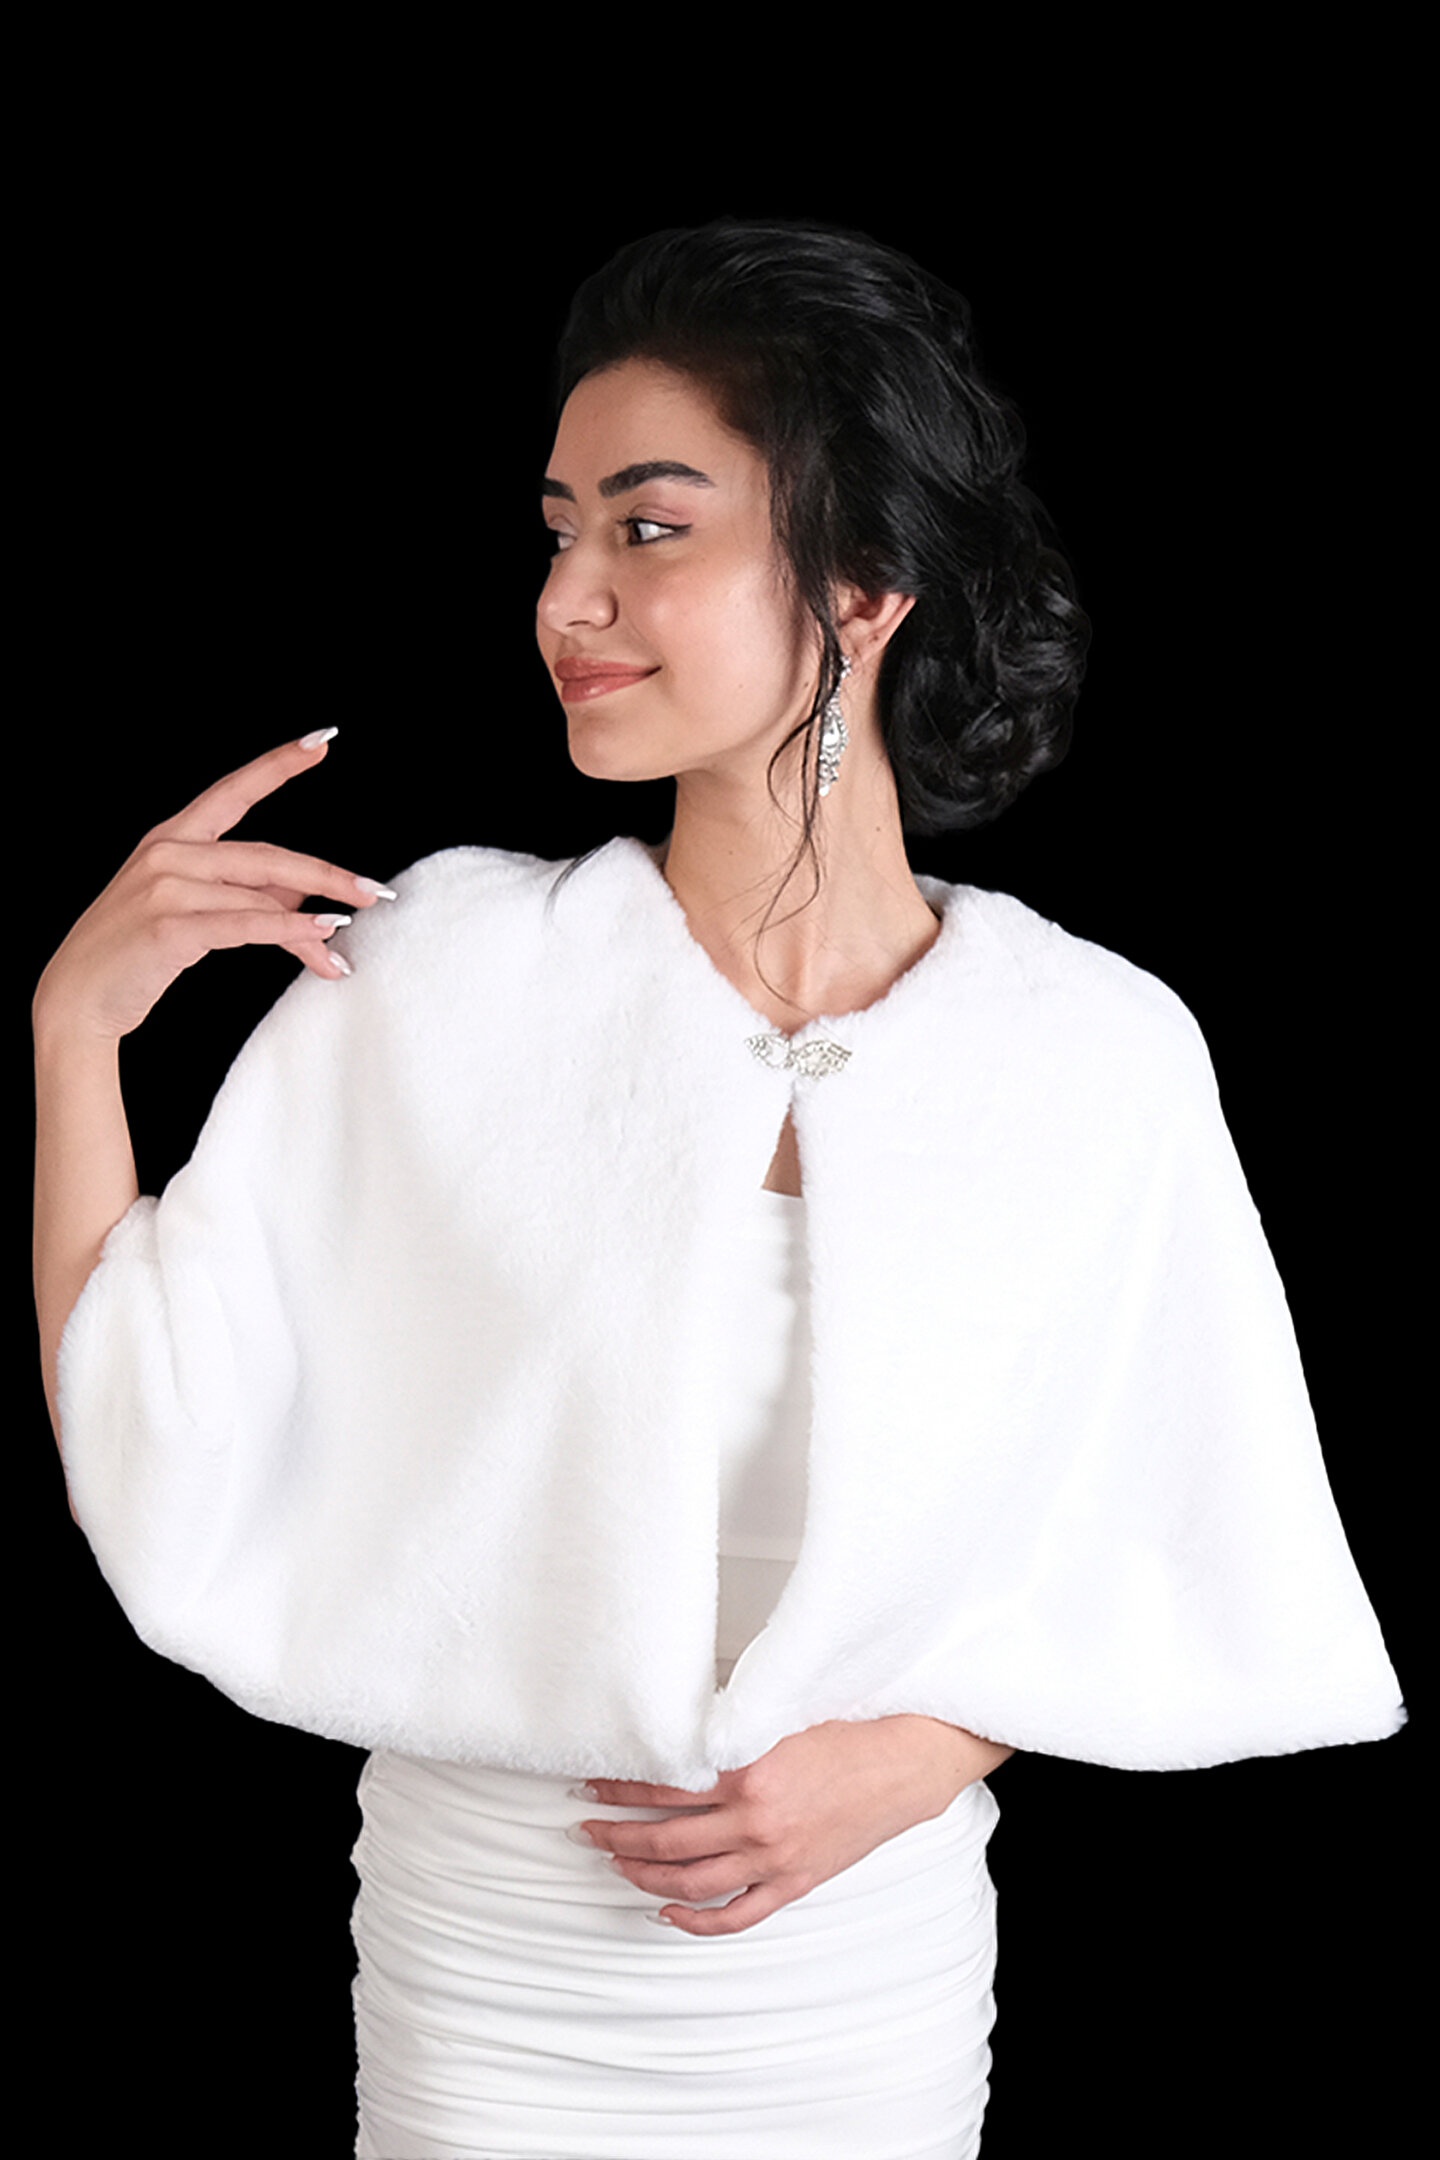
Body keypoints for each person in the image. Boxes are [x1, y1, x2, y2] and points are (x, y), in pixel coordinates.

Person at [33, 220, 1403, 2159]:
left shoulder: (1090, 1048)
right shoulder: (444, 973)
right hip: (494, 1954)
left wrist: (927, 1748)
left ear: (862, 584)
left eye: (651, 529)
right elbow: (154, 1406)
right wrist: (73, 1033)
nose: (567, 597)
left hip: (852, 1965)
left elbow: (1177, 1512)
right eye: (556, 531)